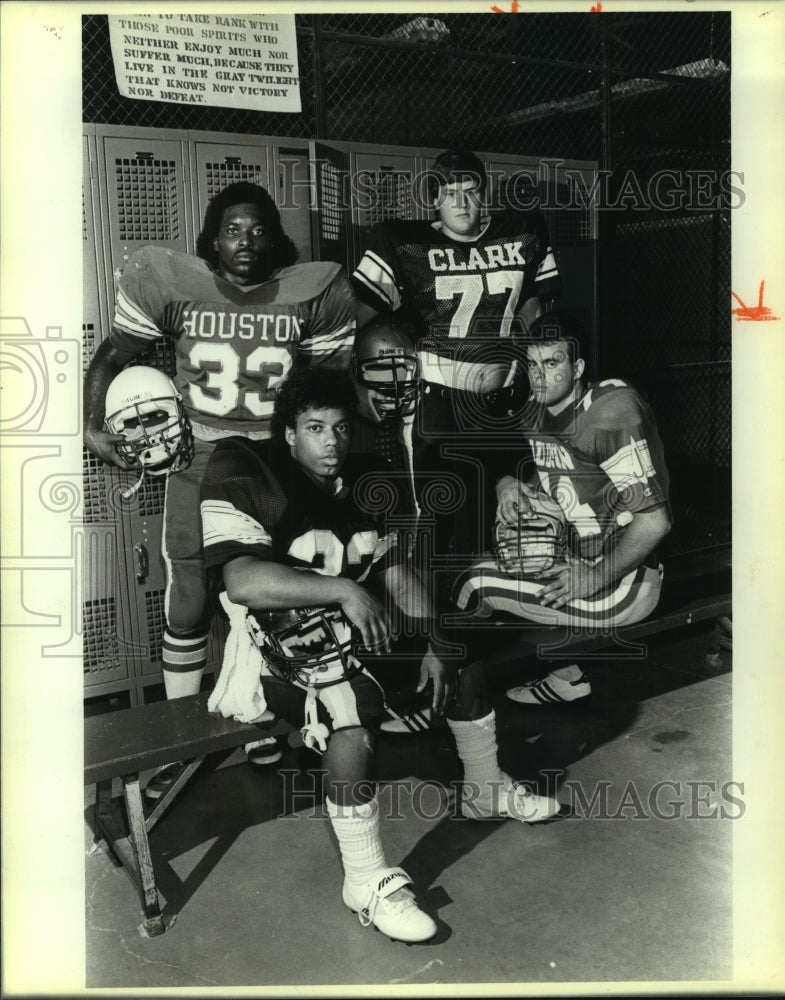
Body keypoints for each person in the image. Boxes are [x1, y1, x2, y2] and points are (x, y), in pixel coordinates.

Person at [200, 369, 562, 940]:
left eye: (342, 429)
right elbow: (243, 580)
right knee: (349, 707)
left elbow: (396, 575)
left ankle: (486, 787)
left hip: (357, 629)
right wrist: (344, 588)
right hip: (269, 648)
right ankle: (364, 878)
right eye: (315, 428)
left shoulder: (365, 477)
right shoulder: (243, 466)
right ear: (289, 433)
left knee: (460, 656)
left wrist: (438, 640)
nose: (332, 442)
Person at [83, 181, 356, 795]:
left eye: (258, 231)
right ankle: (180, 736)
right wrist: (92, 425)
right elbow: (109, 355)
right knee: (190, 592)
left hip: (270, 457)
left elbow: (327, 388)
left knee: (267, 587)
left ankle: (258, 717)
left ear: (273, 238)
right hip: (199, 452)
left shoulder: (305, 294)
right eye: (233, 230)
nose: (246, 242)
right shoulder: (178, 286)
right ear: (212, 235)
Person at [351, 148, 561, 568]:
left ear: (485, 193)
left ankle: (491, 605)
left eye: (471, 190)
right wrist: (359, 385)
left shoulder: (522, 230)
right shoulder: (403, 242)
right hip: (438, 397)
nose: (462, 202)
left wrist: (525, 354)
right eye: (450, 192)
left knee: (507, 513)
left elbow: (536, 305)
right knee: (437, 520)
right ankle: (435, 620)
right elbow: (364, 324)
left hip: (505, 399)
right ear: (434, 199)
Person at [453, 312, 673, 704]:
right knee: (482, 561)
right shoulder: (537, 409)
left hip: (624, 581)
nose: (539, 375)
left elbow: (655, 523)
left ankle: (453, 712)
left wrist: (593, 578)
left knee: (471, 586)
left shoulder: (611, 410)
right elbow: (569, 476)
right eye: (533, 365)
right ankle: (566, 677)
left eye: (552, 363)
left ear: (579, 368)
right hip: (576, 559)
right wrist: (508, 483)